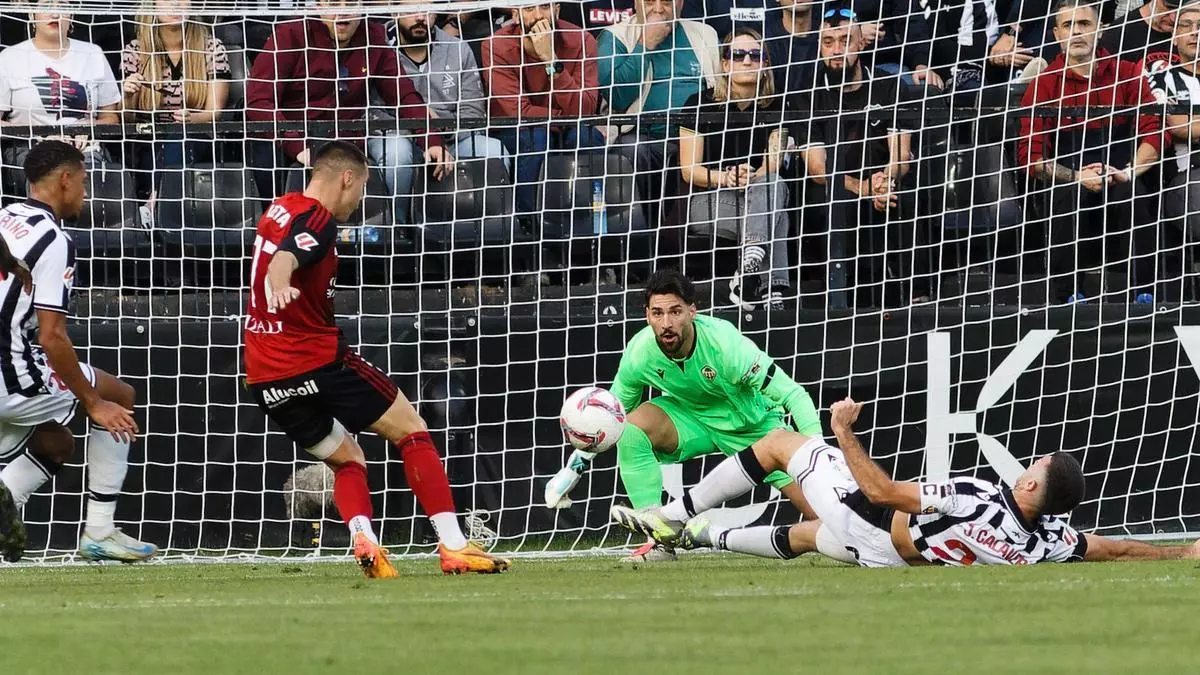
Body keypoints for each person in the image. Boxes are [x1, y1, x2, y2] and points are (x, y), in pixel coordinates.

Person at [243, 140, 509, 578]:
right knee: (412, 429)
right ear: (347, 178)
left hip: (264, 375)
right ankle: (454, 544)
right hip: (314, 360)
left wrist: (280, 279)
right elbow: (287, 256)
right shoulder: (318, 218)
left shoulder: (278, 208)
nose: (361, 200)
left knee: (348, 459)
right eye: (363, 187)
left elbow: (280, 249)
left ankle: (364, 537)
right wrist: (281, 278)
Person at [613, 397, 1200, 566]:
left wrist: (843, 431)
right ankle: (698, 537)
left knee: (777, 443)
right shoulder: (1049, 540)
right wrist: (1179, 552)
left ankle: (673, 513)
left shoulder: (976, 497)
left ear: (1030, 488)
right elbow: (1112, 548)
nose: (1028, 465)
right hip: (892, 560)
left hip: (871, 522)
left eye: (1036, 466)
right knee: (805, 536)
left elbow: (882, 493)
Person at [543, 270, 821, 562]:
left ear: (692, 312)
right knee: (631, 430)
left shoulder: (725, 345)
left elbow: (795, 395)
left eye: (675, 312)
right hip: (693, 419)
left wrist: (817, 458)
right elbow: (611, 419)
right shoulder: (640, 353)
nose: (666, 323)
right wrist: (573, 468)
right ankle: (659, 539)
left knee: (828, 519)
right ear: (647, 315)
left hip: (755, 428)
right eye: (657, 313)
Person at [0, 140, 155, 564]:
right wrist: (93, 403)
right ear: (65, 180)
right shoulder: (54, 239)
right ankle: (100, 532)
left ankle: (7, 500)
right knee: (118, 397)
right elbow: (52, 338)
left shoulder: (7, 216)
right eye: (84, 182)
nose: (86, 193)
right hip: (10, 372)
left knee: (56, 443)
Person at [246, 0, 451, 222]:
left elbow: (403, 94)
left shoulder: (373, 37)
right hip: (291, 140)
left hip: (347, 139)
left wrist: (431, 139)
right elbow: (258, 100)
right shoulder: (290, 35)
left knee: (398, 153)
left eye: (351, 4)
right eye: (335, 4)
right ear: (318, 6)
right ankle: (274, 228)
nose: (343, 12)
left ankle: (396, 229)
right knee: (266, 152)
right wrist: (296, 146)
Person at [1017, 0, 1163, 304]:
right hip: (1069, 180)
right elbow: (1032, 158)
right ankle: (1069, 296)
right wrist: (1076, 177)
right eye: (1068, 25)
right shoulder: (1043, 85)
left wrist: (1127, 172)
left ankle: (1145, 295)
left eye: (1084, 24)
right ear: (1057, 34)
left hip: (1120, 172)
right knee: (1068, 199)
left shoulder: (1127, 73)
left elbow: (1154, 134)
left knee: (1133, 195)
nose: (1076, 32)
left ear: (1100, 30)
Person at [798, 9, 932, 305]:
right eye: (828, 42)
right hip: (836, 186)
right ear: (819, 48)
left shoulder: (889, 86)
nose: (836, 50)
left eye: (845, 41)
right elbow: (818, 169)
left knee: (906, 198)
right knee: (833, 202)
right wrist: (863, 188)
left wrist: (884, 182)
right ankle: (841, 301)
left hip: (883, 180)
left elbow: (901, 156)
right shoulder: (808, 94)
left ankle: (917, 296)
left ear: (861, 43)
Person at [678, 26, 792, 309]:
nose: (747, 61)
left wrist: (750, 178)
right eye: (738, 54)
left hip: (759, 197)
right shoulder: (698, 103)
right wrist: (728, 177)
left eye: (755, 55)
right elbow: (689, 170)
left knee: (773, 186)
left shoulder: (778, 105)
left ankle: (751, 278)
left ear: (765, 65)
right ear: (725, 63)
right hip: (710, 201)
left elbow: (773, 163)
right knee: (776, 213)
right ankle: (771, 287)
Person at [597, 0, 722, 226]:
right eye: (649, 2)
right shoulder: (615, 36)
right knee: (633, 149)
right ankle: (640, 233)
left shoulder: (705, 33)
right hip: (643, 135)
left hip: (698, 136)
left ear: (681, 3)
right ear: (636, 3)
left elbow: (724, 89)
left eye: (666, 2)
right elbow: (617, 96)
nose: (658, 9)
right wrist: (646, 43)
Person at [482, 2, 604, 214]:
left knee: (588, 136)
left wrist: (551, 60)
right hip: (516, 130)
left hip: (568, 127)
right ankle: (530, 222)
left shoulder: (582, 40)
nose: (539, 16)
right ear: (515, 15)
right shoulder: (496, 45)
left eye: (545, 6)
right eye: (529, 8)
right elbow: (518, 111)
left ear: (557, 10)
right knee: (537, 137)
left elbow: (586, 109)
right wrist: (564, 119)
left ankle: (591, 218)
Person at [120, 0, 232, 223]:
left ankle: (153, 204)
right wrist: (129, 94)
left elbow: (214, 113)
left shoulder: (212, 47)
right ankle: (159, 209)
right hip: (147, 138)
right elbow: (126, 117)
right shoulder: (134, 50)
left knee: (180, 137)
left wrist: (192, 118)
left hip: (195, 135)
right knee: (156, 151)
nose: (176, 4)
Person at [387, 0, 509, 169]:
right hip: (398, 137)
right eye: (412, 9)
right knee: (396, 152)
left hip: (451, 139)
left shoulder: (458, 49)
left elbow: (473, 113)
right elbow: (372, 110)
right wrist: (420, 131)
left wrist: (442, 126)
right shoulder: (376, 46)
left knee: (495, 150)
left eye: (427, 9)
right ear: (393, 12)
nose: (420, 17)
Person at [0, 11, 122, 176]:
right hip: (29, 149)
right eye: (47, 5)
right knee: (48, 175)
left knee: (82, 176)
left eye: (62, 5)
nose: (54, 13)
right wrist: (41, 135)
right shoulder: (9, 58)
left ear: (71, 15)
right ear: (32, 14)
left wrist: (86, 128)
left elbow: (111, 118)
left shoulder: (93, 54)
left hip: (84, 150)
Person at [1158, 2, 1200, 244]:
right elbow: (1180, 127)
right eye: (1186, 25)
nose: (1195, 32)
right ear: (1175, 37)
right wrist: (1191, 125)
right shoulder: (1162, 79)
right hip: (1188, 176)